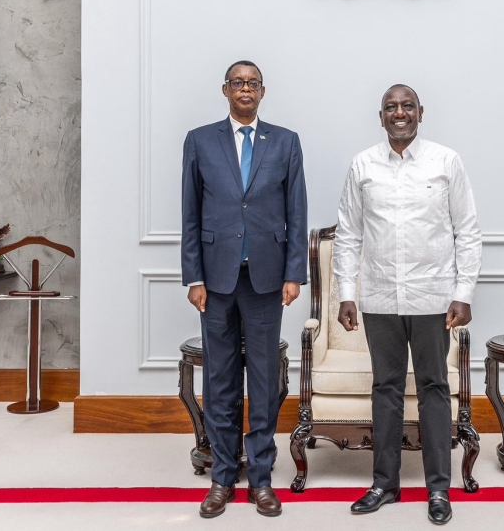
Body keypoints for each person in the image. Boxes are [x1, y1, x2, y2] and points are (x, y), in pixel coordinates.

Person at [332, 84, 481, 525]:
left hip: (433, 297)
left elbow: (467, 231)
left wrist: (463, 293)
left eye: (407, 106)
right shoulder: (363, 165)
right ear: (381, 117)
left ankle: (439, 489)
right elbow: (348, 235)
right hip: (379, 296)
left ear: (421, 113)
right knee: (386, 389)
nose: (400, 113)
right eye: (391, 108)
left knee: (434, 388)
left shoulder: (446, 161)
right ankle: (384, 484)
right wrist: (346, 294)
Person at [181, 60, 308, 519]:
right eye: (238, 83)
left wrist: (294, 273)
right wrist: (193, 278)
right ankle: (220, 478)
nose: (246, 89)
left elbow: (297, 212)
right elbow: (190, 214)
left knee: (264, 382)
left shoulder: (286, 142)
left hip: (267, 280)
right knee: (219, 383)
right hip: (214, 281)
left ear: (263, 91)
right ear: (225, 90)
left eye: (253, 83)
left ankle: (260, 479)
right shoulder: (200, 140)